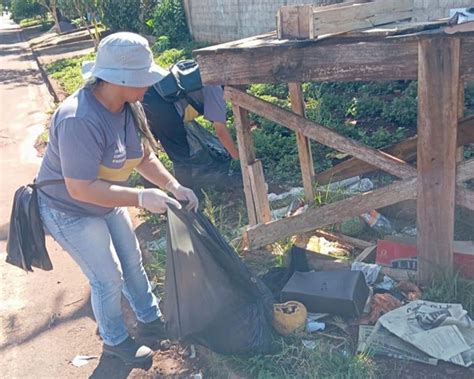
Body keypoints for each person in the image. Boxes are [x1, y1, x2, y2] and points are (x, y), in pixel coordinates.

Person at [36, 32, 198, 365]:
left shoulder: (127, 106)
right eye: (143, 79)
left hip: (107, 199)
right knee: (107, 278)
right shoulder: (78, 119)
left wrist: (173, 187)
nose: (148, 86)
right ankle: (115, 342)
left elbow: (142, 157)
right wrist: (140, 197)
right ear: (118, 80)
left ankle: (150, 319)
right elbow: (80, 188)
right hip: (70, 210)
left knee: (132, 260)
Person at [141, 78, 240, 192]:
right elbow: (221, 131)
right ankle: (186, 201)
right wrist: (237, 158)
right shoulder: (215, 89)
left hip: (147, 95)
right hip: (166, 109)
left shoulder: (204, 74)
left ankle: (151, 195)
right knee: (181, 157)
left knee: (147, 152)